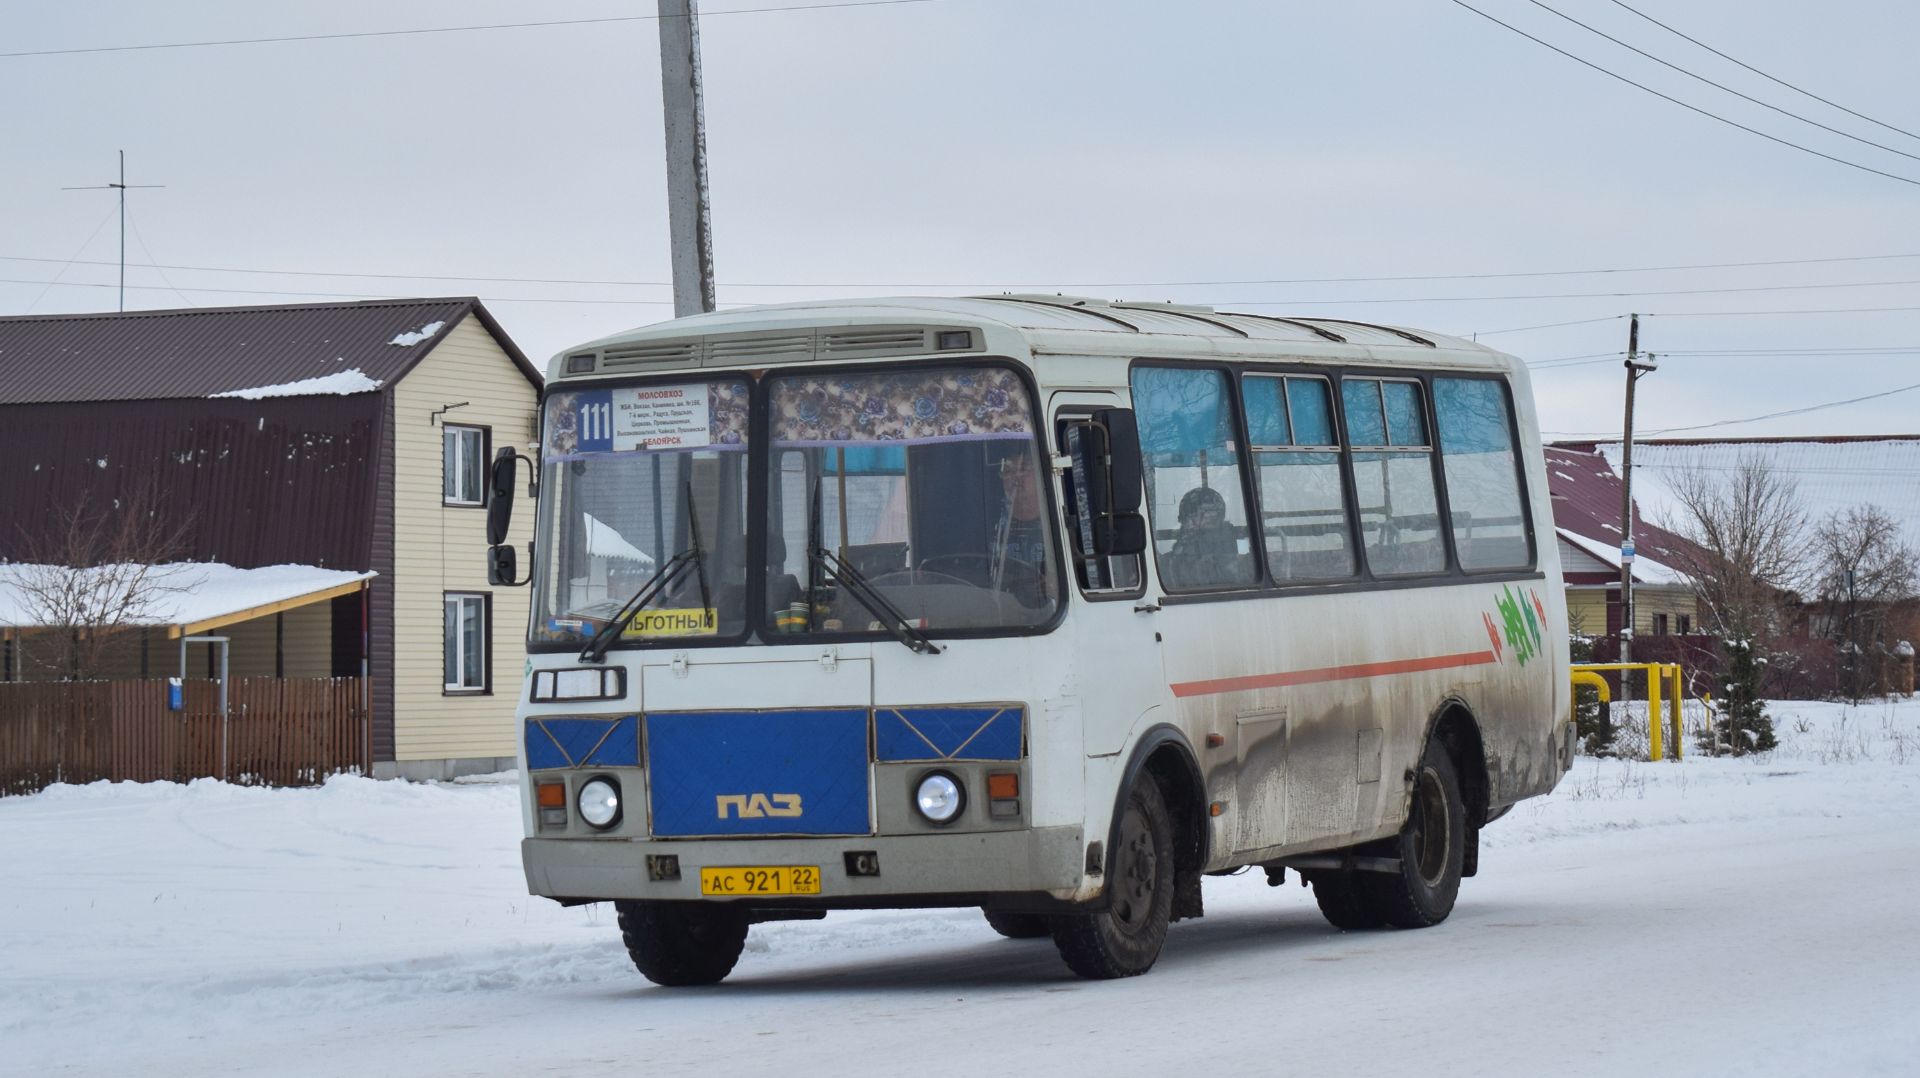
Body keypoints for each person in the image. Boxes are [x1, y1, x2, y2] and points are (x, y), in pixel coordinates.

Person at [1163, 485, 1244, 589]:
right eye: (1188, 517)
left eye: (1194, 516)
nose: (1189, 523)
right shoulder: (1171, 558)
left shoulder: (1228, 553)